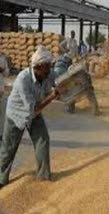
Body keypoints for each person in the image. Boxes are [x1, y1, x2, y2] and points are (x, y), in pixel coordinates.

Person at [0, 46, 59, 189]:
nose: (49, 70)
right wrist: (53, 96)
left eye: (49, 67)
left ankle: (43, 176)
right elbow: (33, 109)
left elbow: (60, 81)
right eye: (46, 67)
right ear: (37, 67)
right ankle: (1, 179)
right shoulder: (23, 79)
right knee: (9, 148)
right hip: (16, 114)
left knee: (42, 140)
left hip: (35, 112)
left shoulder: (48, 75)